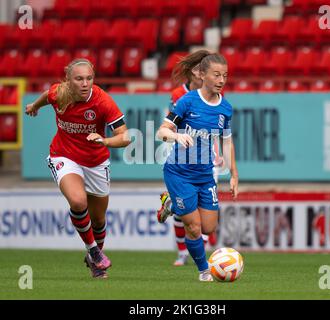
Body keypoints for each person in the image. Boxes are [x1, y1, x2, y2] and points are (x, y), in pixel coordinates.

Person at [25, 58, 131, 279]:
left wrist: (105, 141)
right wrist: (34, 106)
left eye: (89, 78)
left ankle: (95, 260)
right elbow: (47, 96)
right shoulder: (59, 94)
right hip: (63, 155)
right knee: (78, 201)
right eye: (79, 79)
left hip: (96, 162)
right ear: (69, 80)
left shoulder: (102, 101)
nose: (85, 84)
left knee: (99, 219)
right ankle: (93, 251)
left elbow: (125, 137)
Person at [156, 52, 238, 281]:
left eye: (225, 75)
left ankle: (171, 204)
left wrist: (234, 175)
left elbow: (227, 141)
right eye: (216, 75)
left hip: (205, 174)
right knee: (193, 226)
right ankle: (204, 271)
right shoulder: (187, 101)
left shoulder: (225, 108)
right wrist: (175, 137)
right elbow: (161, 130)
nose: (221, 80)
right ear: (202, 75)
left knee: (208, 228)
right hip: (179, 173)